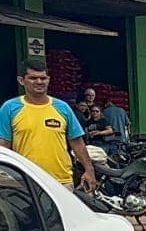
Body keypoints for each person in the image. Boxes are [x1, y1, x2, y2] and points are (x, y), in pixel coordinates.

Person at [0, 58, 97, 191]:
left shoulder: (62, 107)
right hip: (25, 182)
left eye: (43, 78)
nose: (39, 82)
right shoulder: (10, 108)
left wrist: (89, 170)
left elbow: (77, 142)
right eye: (33, 78)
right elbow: (4, 145)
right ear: (21, 80)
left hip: (61, 181)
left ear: (48, 80)